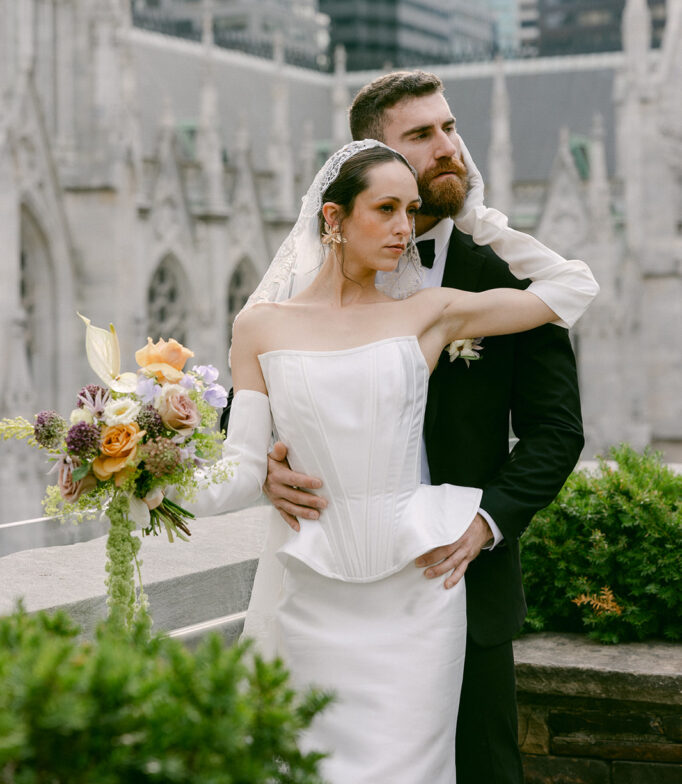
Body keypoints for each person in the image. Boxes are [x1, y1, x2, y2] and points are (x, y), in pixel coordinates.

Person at [182, 136, 597, 783]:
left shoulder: (429, 315)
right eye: (386, 209)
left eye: (412, 210)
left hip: (418, 593)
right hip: (311, 593)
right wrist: (147, 482)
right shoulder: (258, 327)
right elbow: (239, 471)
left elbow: (573, 286)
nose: (405, 228)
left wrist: (478, 215)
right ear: (333, 218)